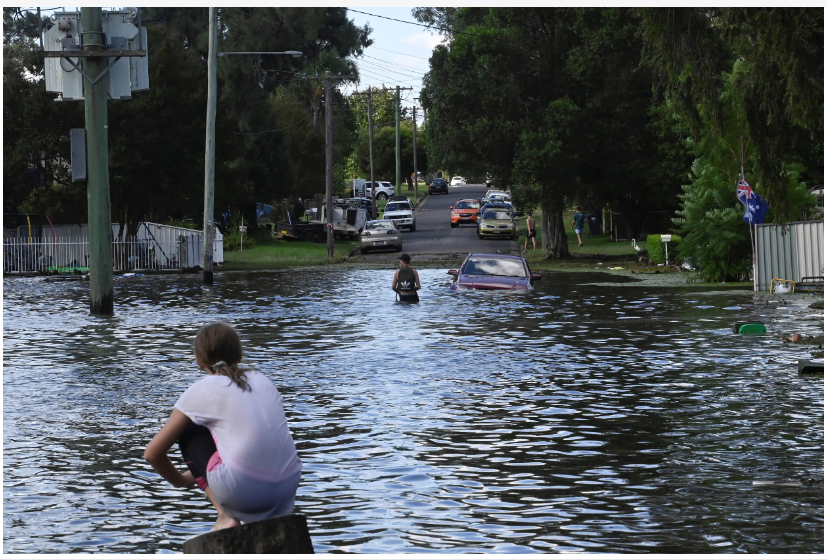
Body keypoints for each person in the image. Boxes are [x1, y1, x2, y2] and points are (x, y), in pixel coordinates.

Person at [143, 322, 302, 532]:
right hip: (286, 492)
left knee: (189, 430)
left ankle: (224, 515)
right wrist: (197, 472)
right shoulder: (263, 380)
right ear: (240, 354)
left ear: (198, 361)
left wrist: (181, 481)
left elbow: (152, 454)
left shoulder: (200, 391)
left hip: (243, 492)